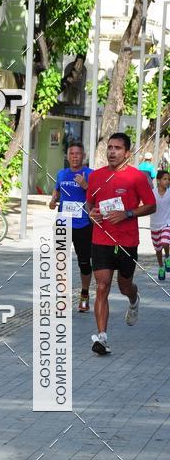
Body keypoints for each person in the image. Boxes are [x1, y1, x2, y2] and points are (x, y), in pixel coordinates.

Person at [86, 132, 156, 355]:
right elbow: (89, 204)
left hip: (127, 240)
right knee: (103, 286)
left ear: (127, 153)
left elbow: (151, 205)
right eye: (109, 147)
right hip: (101, 239)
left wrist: (127, 213)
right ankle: (102, 337)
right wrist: (92, 214)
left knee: (124, 286)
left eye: (117, 148)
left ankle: (134, 299)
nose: (112, 152)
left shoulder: (137, 177)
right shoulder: (97, 176)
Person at [49, 141, 93, 312]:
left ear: (83, 156)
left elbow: (97, 196)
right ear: (67, 156)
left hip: (83, 225)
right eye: (72, 153)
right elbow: (57, 191)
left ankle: (84, 294)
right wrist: (53, 200)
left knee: (84, 263)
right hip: (62, 223)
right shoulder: (61, 174)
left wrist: (86, 186)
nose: (74, 156)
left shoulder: (90, 174)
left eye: (78, 153)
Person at [150, 170, 170, 280]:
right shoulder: (152, 193)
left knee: (165, 243)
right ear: (158, 180)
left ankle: (167, 257)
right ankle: (161, 266)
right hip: (154, 225)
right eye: (165, 179)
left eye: (168, 179)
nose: (167, 181)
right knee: (158, 249)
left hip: (167, 223)